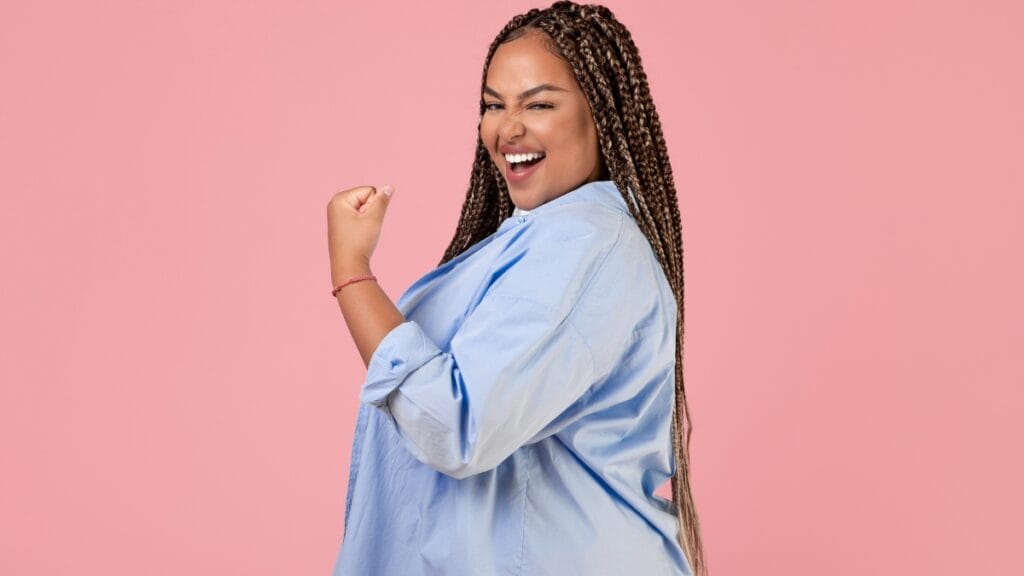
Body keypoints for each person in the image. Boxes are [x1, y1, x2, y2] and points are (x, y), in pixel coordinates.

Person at [325, 2, 707, 574]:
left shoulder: (585, 246)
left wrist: (352, 271)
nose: (508, 129)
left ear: (601, 114)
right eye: (493, 106)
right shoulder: (543, 242)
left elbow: (456, 424)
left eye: (540, 104)